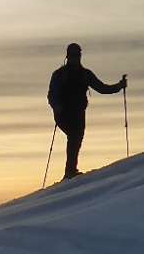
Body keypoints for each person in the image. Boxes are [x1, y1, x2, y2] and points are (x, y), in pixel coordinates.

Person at [47, 42, 127, 180]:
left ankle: (70, 170)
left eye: (76, 55)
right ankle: (70, 171)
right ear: (68, 56)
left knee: (76, 137)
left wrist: (119, 86)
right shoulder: (61, 75)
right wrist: (57, 106)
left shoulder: (84, 74)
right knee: (74, 136)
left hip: (78, 113)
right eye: (73, 55)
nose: (75, 58)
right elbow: (51, 94)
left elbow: (102, 88)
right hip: (64, 113)